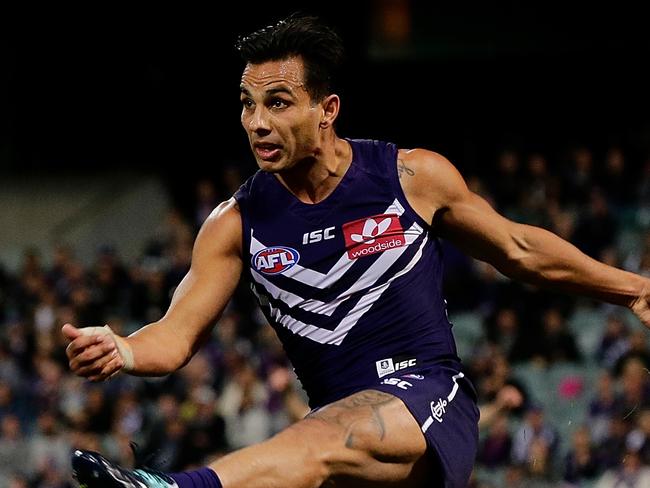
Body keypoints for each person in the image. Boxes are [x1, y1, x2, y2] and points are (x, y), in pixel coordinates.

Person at [64, 13, 650, 488]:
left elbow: (520, 248)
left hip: (427, 402)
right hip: (339, 444)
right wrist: (124, 348)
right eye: (246, 103)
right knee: (313, 441)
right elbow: (174, 335)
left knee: (311, 440)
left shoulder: (410, 177)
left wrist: (635, 289)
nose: (256, 123)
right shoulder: (234, 223)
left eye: (277, 102)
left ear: (327, 109)